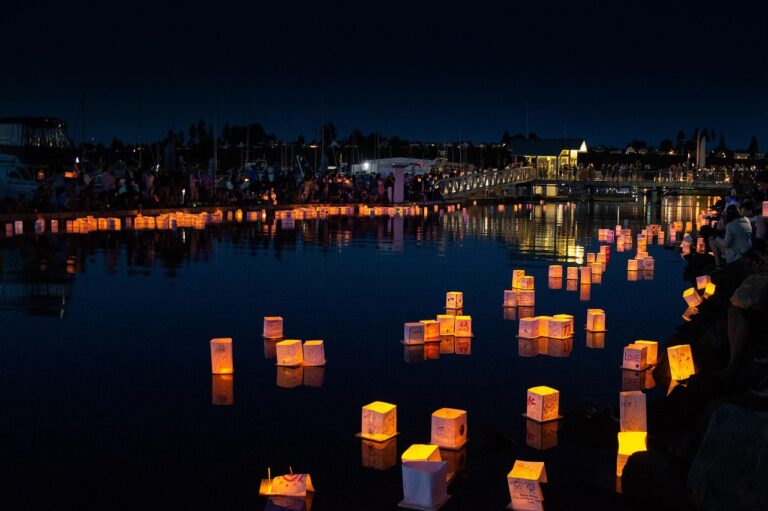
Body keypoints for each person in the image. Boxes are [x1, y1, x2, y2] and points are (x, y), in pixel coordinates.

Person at [709, 204, 752, 268]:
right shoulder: (746, 220)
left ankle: (718, 264)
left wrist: (716, 237)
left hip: (737, 254)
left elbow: (726, 244)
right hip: (747, 250)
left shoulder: (730, 225)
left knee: (712, 240)